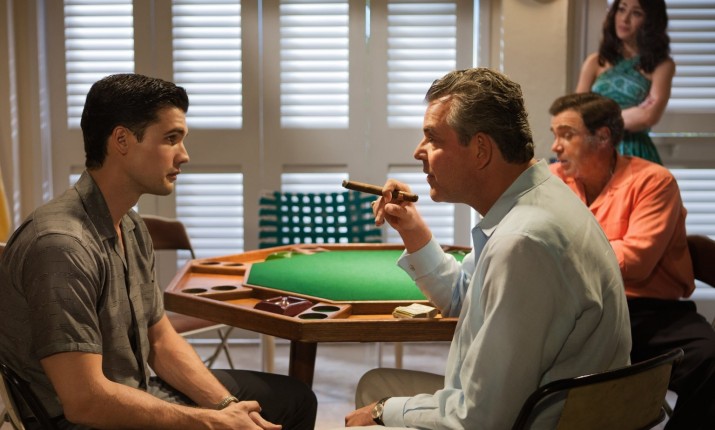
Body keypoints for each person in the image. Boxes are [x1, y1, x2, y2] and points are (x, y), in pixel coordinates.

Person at [0, 73, 317, 430]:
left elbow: (161, 340)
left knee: (295, 398)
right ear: (122, 140)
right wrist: (211, 423)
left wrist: (227, 406)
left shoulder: (131, 226)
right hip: (86, 420)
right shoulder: (61, 245)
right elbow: (84, 401)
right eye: (171, 139)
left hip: (131, 390)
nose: (184, 155)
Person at [342, 68, 632, 429]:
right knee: (375, 385)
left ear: (480, 150)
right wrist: (412, 229)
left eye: (432, 138)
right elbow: (464, 296)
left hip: (533, 422)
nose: (418, 151)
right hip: (547, 408)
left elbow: (482, 418)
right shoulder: (538, 199)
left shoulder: (522, 242)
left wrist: (383, 411)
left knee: (374, 406)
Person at [548, 92, 715, 430]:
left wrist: (565, 252)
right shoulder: (551, 181)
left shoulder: (653, 181)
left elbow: (636, 261)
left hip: (650, 313)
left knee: (711, 361)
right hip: (576, 311)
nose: (555, 146)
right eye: (554, 134)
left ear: (603, 137)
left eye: (567, 134)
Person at [575, 0, 675, 164]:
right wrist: (632, 113)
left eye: (636, 13)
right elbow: (576, 115)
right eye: (621, 9)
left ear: (651, 21)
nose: (625, 19)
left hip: (636, 153)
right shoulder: (595, 61)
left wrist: (595, 119)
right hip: (594, 152)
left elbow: (648, 116)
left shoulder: (662, 66)